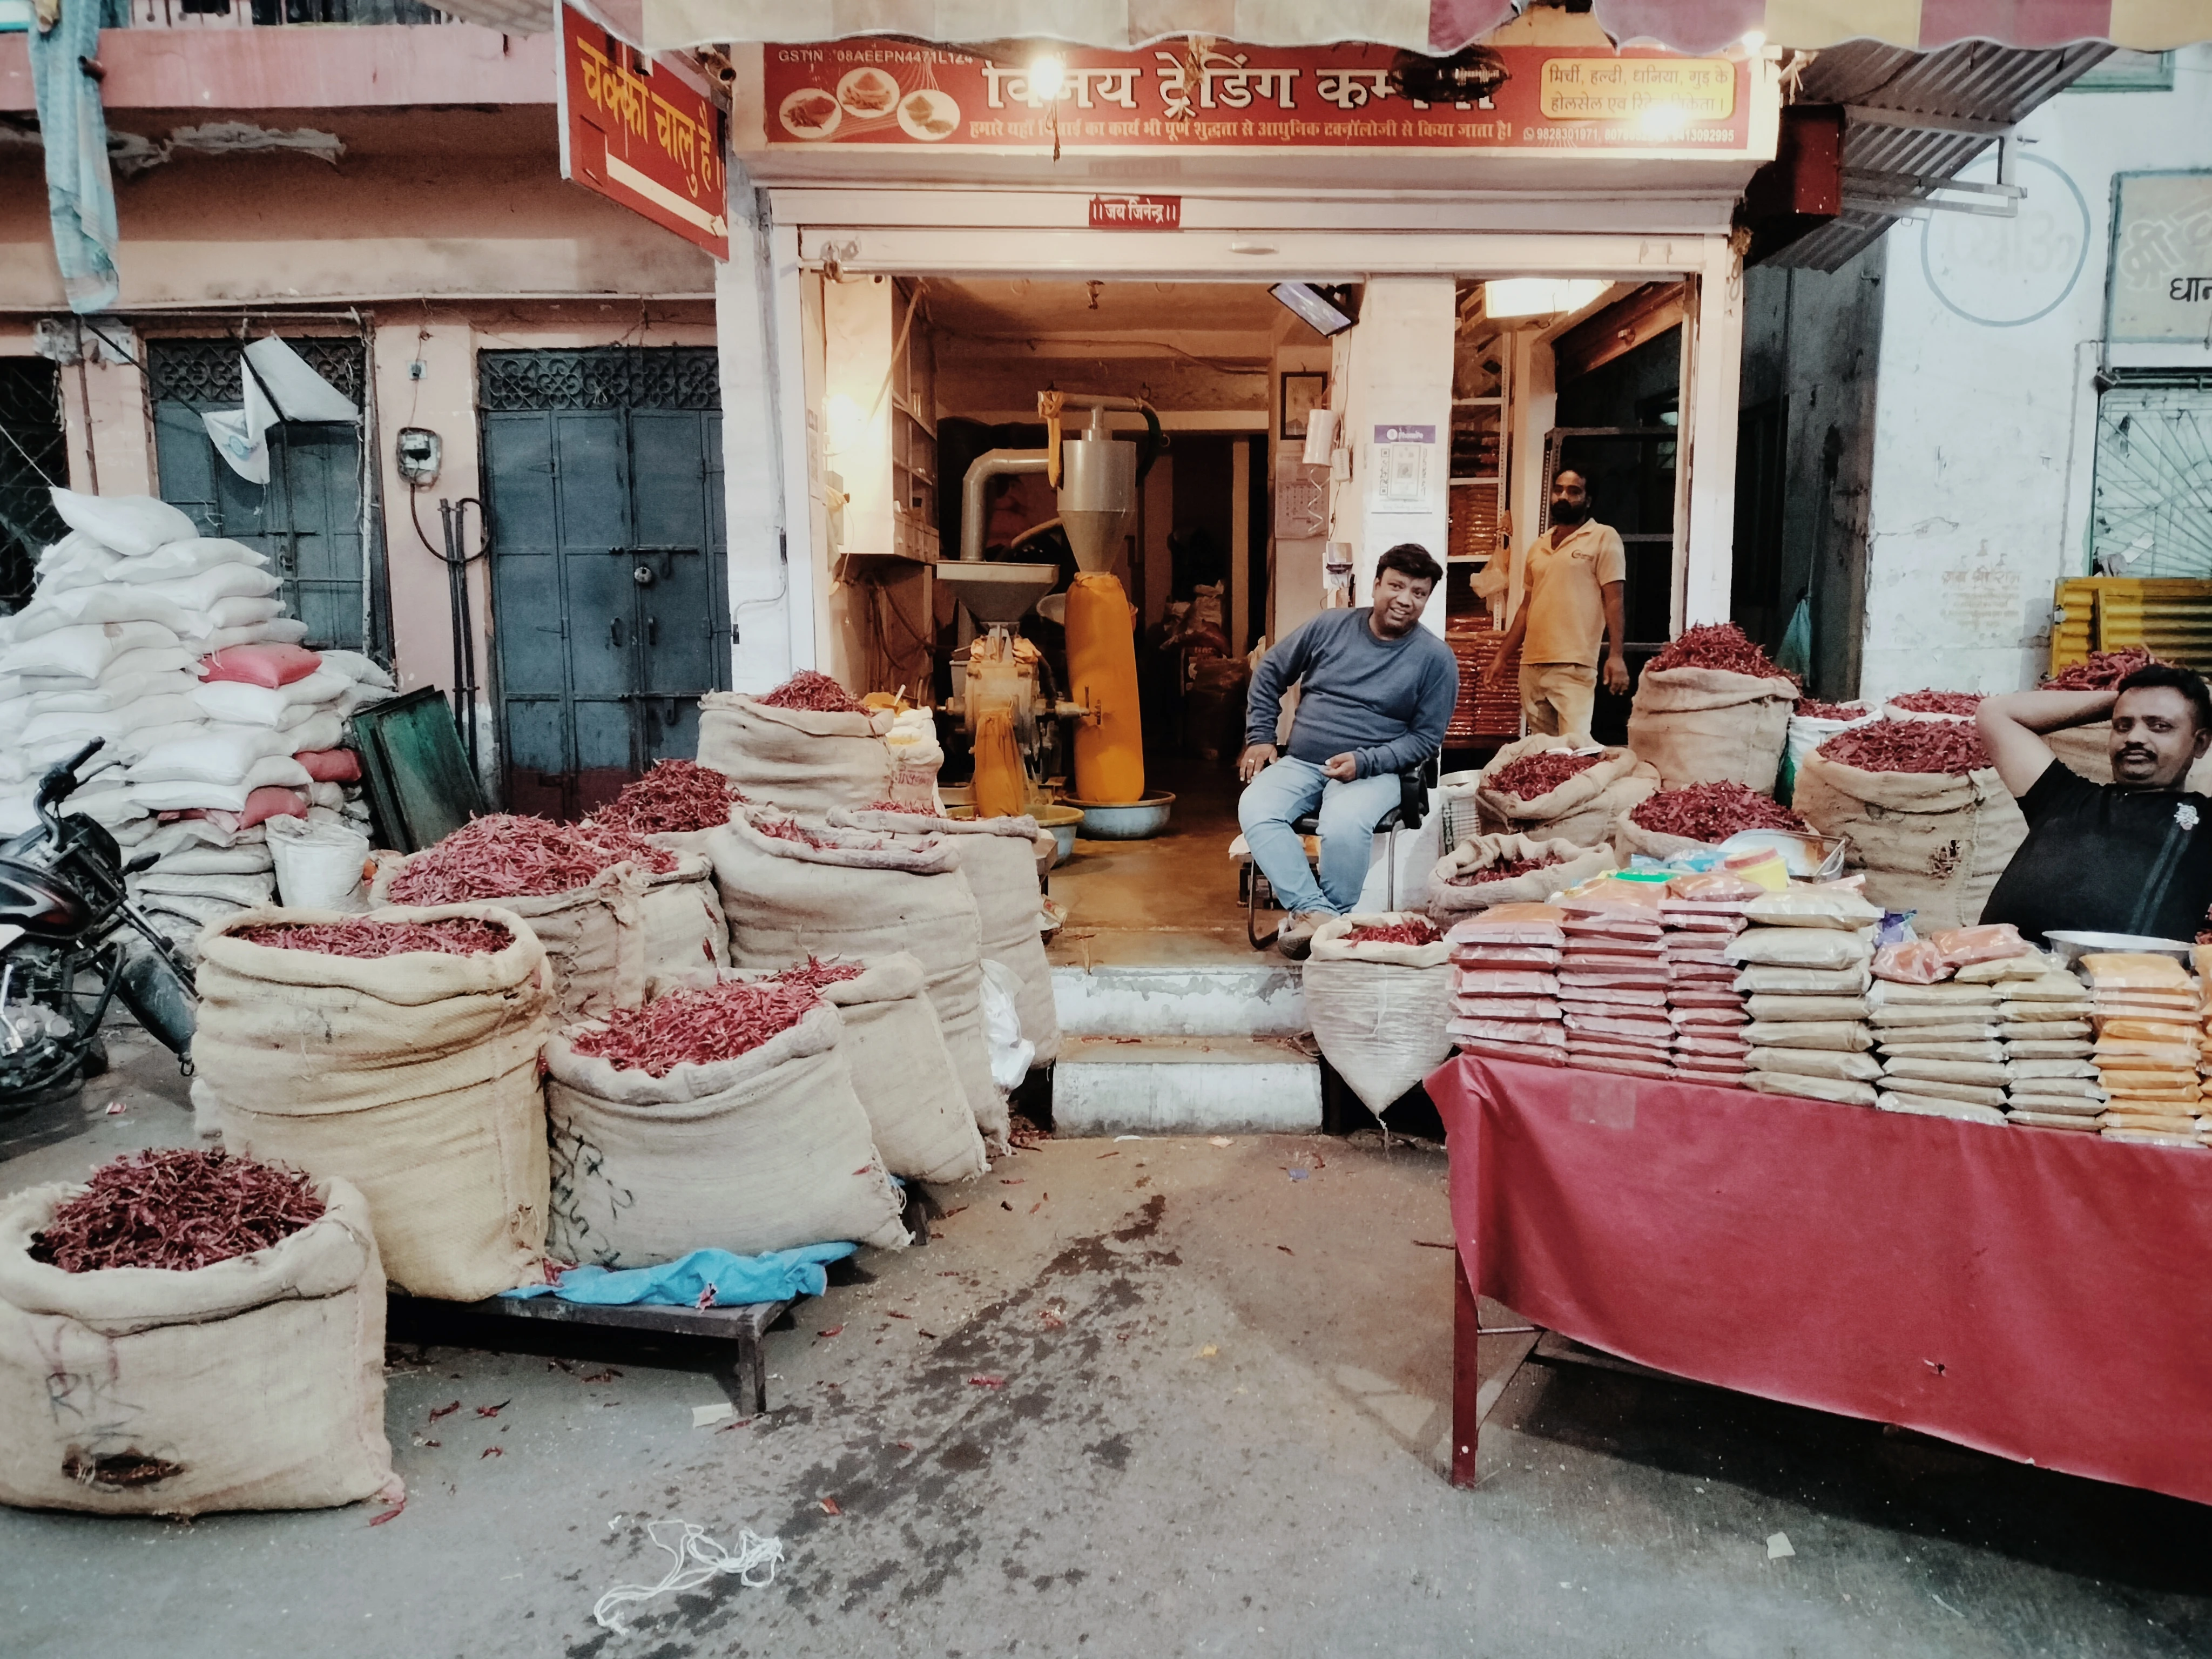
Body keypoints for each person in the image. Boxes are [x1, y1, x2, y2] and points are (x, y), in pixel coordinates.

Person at [1236, 543, 1459, 958]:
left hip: (1376, 771)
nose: (1405, 600)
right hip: (1304, 762)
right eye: (1396, 586)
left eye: (1418, 593)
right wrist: (1261, 737)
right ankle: (1320, 917)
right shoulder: (1330, 626)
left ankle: (1323, 922)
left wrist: (1365, 762)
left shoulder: (1436, 659)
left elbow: (1426, 740)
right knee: (1256, 807)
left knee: (1343, 822)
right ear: (1375, 585)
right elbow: (1269, 671)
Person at [1976, 662, 2212, 943]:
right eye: (2122, 726)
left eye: (2159, 726)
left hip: (2119, 982)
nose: (2134, 738)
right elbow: (1995, 714)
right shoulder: (2063, 798)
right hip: (1993, 974)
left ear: (2200, 744)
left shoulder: (2204, 823)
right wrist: (2121, 699)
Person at [1480, 469, 1628, 740]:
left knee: (1573, 749)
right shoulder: (1539, 546)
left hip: (1574, 665)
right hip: (1532, 665)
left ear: (1588, 500)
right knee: (1543, 754)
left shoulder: (1604, 538)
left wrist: (1616, 655)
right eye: (1558, 489)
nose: (1563, 496)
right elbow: (1526, 607)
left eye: (1574, 492)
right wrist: (1502, 657)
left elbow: (1615, 599)